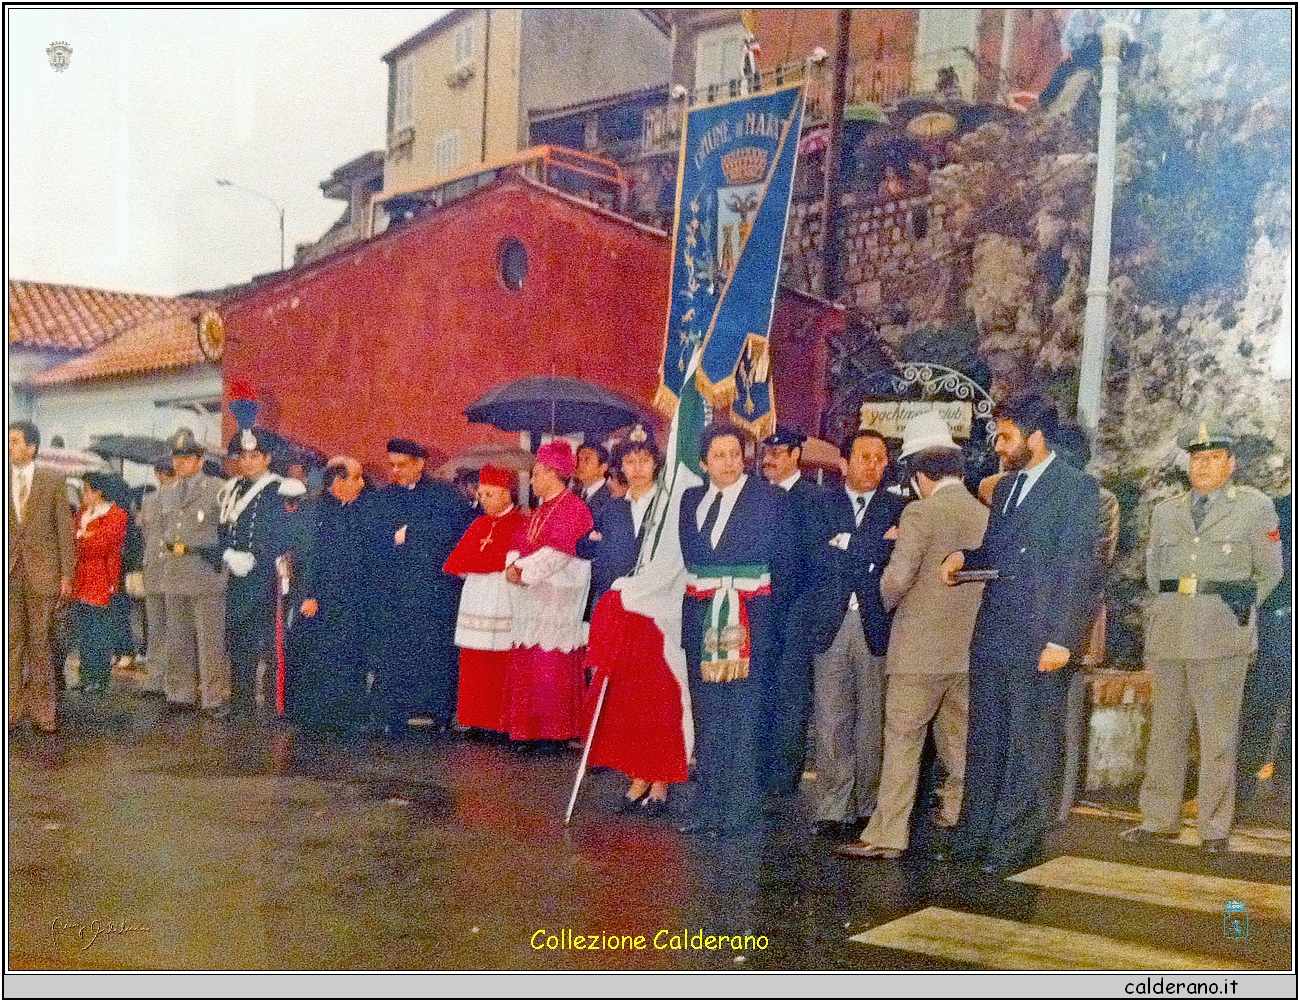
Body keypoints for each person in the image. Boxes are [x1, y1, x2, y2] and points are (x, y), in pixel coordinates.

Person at [940, 394, 1101, 873]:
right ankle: (976, 835)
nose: (999, 445)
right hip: (995, 633)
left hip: (1041, 638)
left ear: (1035, 437)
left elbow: (1080, 570)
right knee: (986, 738)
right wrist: (963, 558)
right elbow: (997, 552)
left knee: (1031, 742)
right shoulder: (1006, 490)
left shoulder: (1077, 490)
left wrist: (1062, 640)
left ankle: (1017, 843)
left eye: (1006, 436)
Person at [1123, 419, 1283, 853]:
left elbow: (1270, 573)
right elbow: (1156, 575)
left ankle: (1214, 828)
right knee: (1165, 732)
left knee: (1217, 738)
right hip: (1172, 631)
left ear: (1231, 463)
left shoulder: (1253, 507)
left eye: (1213, 458)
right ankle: (1159, 819)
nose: (1204, 466)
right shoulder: (1167, 510)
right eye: (1197, 458)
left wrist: (1234, 613)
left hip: (1221, 637)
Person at [836, 414, 987, 859]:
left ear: (921, 475)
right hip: (964, 650)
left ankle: (887, 834)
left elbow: (897, 580)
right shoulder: (983, 513)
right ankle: (961, 820)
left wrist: (881, 591)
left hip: (918, 652)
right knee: (959, 744)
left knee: (902, 741)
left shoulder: (919, 512)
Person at [678, 422, 794, 837]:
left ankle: (741, 812)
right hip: (701, 617)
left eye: (734, 453)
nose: (728, 462)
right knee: (707, 713)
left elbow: (785, 563)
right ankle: (708, 807)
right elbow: (692, 557)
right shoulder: (690, 500)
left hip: (751, 619)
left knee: (744, 715)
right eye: (719, 455)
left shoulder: (770, 499)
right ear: (703, 461)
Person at [580, 427, 687, 813]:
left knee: (660, 698)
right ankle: (636, 776)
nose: (637, 467)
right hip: (622, 615)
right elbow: (603, 558)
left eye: (644, 459)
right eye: (629, 460)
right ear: (620, 467)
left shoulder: (670, 508)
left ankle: (660, 780)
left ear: (656, 462)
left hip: (658, 615)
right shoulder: (613, 509)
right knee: (629, 701)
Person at [805, 429, 905, 836]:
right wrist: (870, 549)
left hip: (876, 623)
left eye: (880, 458)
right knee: (831, 718)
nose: (873, 465)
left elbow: (895, 562)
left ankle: (868, 805)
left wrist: (848, 546)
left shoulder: (900, 508)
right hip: (831, 622)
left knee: (872, 719)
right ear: (844, 463)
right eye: (864, 457)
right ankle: (833, 806)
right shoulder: (820, 503)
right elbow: (817, 558)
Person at [368, 437, 475, 733]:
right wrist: (395, 539)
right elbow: (373, 537)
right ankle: (395, 712)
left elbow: (452, 533)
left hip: (434, 592)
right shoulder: (383, 498)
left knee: (434, 651)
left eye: (402, 465)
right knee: (396, 651)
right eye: (392, 465)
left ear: (421, 464)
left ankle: (438, 711)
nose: (396, 471)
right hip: (395, 592)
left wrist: (411, 535)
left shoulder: (445, 496)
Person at [502, 440, 594, 751]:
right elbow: (519, 541)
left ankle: (554, 733)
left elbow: (559, 553)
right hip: (533, 597)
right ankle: (529, 731)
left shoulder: (573, 508)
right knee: (531, 665)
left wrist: (522, 571)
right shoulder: (541, 509)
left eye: (537, 473)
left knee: (551, 668)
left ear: (554, 474)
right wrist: (514, 565)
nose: (532, 479)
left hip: (558, 598)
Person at [759, 424, 829, 795]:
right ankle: (758, 768)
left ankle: (782, 777)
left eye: (776, 453)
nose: (767, 460)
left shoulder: (814, 499)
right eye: (765, 453)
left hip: (794, 614)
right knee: (761, 692)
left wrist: (803, 612)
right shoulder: (756, 496)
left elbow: (814, 562)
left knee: (789, 696)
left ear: (795, 455)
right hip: (759, 612)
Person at [219, 427, 305, 720]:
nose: (247, 462)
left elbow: (287, 534)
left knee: (270, 644)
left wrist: (257, 557)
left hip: (267, 578)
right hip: (237, 577)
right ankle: (240, 703)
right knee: (239, 642)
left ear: (267, 458)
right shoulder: (232, 489)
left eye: (254, 456)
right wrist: (227, 552)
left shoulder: (281, 489)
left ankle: (272, 705)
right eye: (242, 456)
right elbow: (224, 529)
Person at [289, 455, 374, 736]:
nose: (362, 483)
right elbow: (306, 556)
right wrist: (307, 595)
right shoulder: (314, 510)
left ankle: (345, 715)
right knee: (322, 657)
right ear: (338, 481)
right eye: (357, 478)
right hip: (321, 600)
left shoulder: (358, 509)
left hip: (351, 599)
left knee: (349, 657)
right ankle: (317, 717)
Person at [442, 465, 526, 737]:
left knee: (499, 661)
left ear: (506, 494)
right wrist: (478, 565)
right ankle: (475, 719)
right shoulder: (478, 523)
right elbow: (459, 562)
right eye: (482, 494)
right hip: (477, 596)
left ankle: (499, 723)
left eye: (490, 495)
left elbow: (513, 565)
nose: (484, 500)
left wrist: (486, 564)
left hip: (504, 597)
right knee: (474, 659)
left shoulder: (520, 523)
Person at [8, 421, 76, 733]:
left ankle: (43, 710)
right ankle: (11, 707)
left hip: (43, 575)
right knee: (11, 643)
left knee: (40, 642)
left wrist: (67, 576)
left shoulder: (53, 479)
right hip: (10, 574)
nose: (10, 446)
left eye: (16, 441)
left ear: (32, 447)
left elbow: (65, 531)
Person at [159, 428, 229, 712]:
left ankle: (213, 696)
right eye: (177, 458)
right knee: (178, 638)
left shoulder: (216, 489)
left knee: (210, 641)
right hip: (175, 570)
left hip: (204, 572)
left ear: (200, 460)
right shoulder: (167, 492)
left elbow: (226, 530)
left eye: (187, 458)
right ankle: (181, 692)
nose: (180, 463)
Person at [69, 472, 131, 699]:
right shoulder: (83, 514)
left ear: (98, 492)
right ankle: (86, 675)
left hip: (101, 577)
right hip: (81, 577)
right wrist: (83, 538)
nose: (83, 495)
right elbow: (73, 540)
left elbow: (100, 546)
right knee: (84, 631)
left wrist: (82, 538)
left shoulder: (116, 515)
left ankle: (99, 677)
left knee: (99, 631)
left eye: (87, 491)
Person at [137, 458, 176, 695]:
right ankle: (155, 676)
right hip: (153, 567)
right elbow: (146, 534)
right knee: (155, 626)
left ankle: (174, 678)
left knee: (175, 626)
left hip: (173, 568)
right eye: (163, 474)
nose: (165, 479)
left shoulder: (182, 497)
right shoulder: (149, 500)